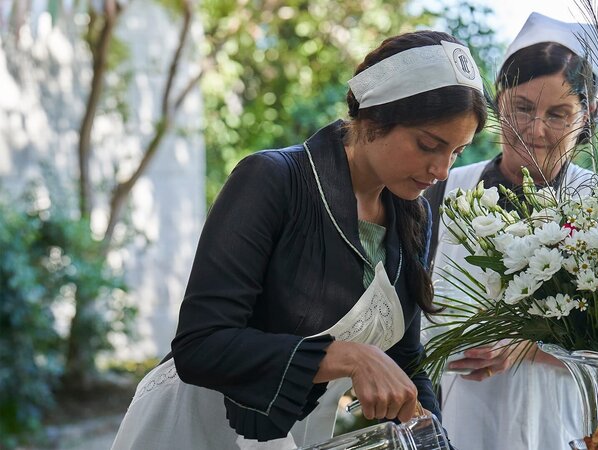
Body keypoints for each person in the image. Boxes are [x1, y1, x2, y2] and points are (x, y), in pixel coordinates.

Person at [111, 30, 487, 450]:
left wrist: (432, 439)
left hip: (293, 438)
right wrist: (349, 356)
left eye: (456, 152)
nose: (441, 170)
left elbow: (406, 360)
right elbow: (201, 344)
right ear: (375, 119)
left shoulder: (413, 216)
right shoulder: (273, 181)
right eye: (428, 145)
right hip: (194, 429)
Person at [423, 12, 598, 450]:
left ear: (586, 116)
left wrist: (528, 348)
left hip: (564, 420)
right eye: (522, 109)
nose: (536, 130)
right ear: (497, 104)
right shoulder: (439, 190)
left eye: (559, 113)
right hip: (457, 414)